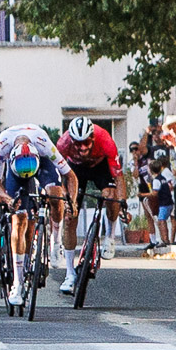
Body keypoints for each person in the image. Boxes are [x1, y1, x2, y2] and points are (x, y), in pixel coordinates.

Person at [0, 125, 75, 306]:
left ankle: (56, 242)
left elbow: (71, 176)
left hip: (40, 162)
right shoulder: (3, 145)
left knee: (55, 194)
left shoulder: (43, 143)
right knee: (19, 221)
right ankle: (17, 284)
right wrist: (8, 199)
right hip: (15, 173)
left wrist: (72, 202)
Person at [56, 116, 126, 294]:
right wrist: (65, 195)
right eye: (77, 143)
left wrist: (122, 202)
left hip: (100, 166)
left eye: (86, 142)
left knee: (110, 195)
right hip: (75, 170)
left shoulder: (105, 140)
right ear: (71, 140)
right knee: (70, 216)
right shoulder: (63, 144)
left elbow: (118, 176)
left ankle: (109, 236)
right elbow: (57, 176)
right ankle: (69, 274)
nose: (82, 147)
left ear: (93, 138)